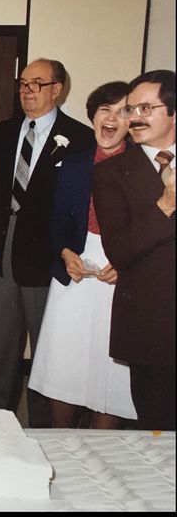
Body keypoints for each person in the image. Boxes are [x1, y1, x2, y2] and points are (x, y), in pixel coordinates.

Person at [0, 58, 94, 428]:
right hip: (1, 248)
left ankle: (44, 426)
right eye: (23, 84)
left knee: (46, 345)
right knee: (0, 339)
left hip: (47, 253)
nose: (27, 91)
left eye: (36, 84)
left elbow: (78, 204)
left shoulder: (79, 137)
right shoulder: (4, 130)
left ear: (57, 89)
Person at [28, 81, 137, 428]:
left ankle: (103, 448)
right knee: (64, 360)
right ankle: (62, 440)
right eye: (105, 109)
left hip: (120, 269)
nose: (112, 118)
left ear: (133, 122)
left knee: (110, 368)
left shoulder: (142, 167)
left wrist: (127, 263)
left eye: (123, 112)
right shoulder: (74, 163)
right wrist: (64, 251)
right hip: (75, 265)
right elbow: (58, 217)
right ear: (93, 115)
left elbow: (150, 229)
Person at [92, 69, 176, 431]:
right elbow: (120, 250)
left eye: (145, 108)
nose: (134, 117)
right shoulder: (112, 173)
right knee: (158, 428)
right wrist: (166, 204)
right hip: (151, 323)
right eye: (131, 109)